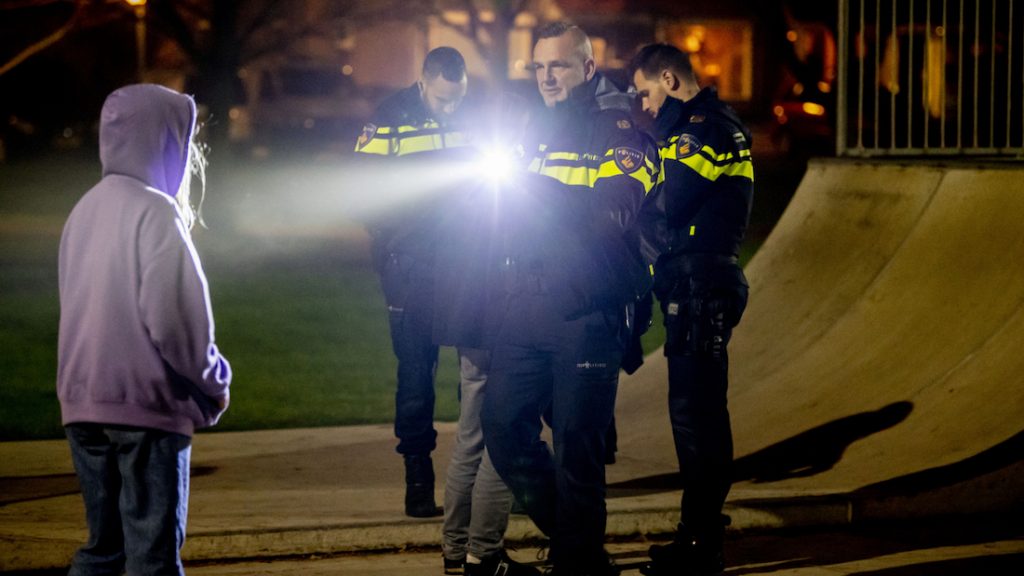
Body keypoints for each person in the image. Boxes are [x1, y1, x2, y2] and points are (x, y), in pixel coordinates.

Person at [480, 22, 658, 576]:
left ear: (586, 68)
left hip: (589, 309)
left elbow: (612, 216)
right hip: (526, 302)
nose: (545, 77)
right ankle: (579, 546)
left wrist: (535, 194)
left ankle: (578, 561)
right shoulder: (533, 125)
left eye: (557, 66)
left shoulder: (621, 127)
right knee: (504, 427)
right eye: (538, 67)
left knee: (579, 450)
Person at [57, 84, 232, 575]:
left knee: (103, 549)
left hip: (83, 405)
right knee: (151, 556)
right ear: (165, 141)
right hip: (145, 408)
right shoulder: (156, 212)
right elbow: (175, 322)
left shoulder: (83, 210)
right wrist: (214, 381)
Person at [629, 43, 754, 576]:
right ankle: (698, 535)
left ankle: (702, 544)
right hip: (699, 281)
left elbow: (664, 202)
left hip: (701, 284)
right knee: (697, 414)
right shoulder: (707, 124)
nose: (643, 106)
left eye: (645, 93)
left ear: (668, 79)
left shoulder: (701, 129)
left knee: (695, 416)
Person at [354, 46, 471, 518]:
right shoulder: (388, 119)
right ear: (423, 82)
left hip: (465, 262)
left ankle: (487, 473)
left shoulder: (476, 115)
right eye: (444, 99)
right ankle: (418, 477)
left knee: (478, 372)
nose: (451, 108)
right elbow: (364, 194)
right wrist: (396, 241)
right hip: (411, 265)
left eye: (458, 99)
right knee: (416, 375)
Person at [433, 91, 540, 576]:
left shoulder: (462, 171)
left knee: (470, 436)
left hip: (466, 319)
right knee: (506, 433)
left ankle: (456, 548)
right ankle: (483, 551)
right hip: (502, 322)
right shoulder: (514, 177)